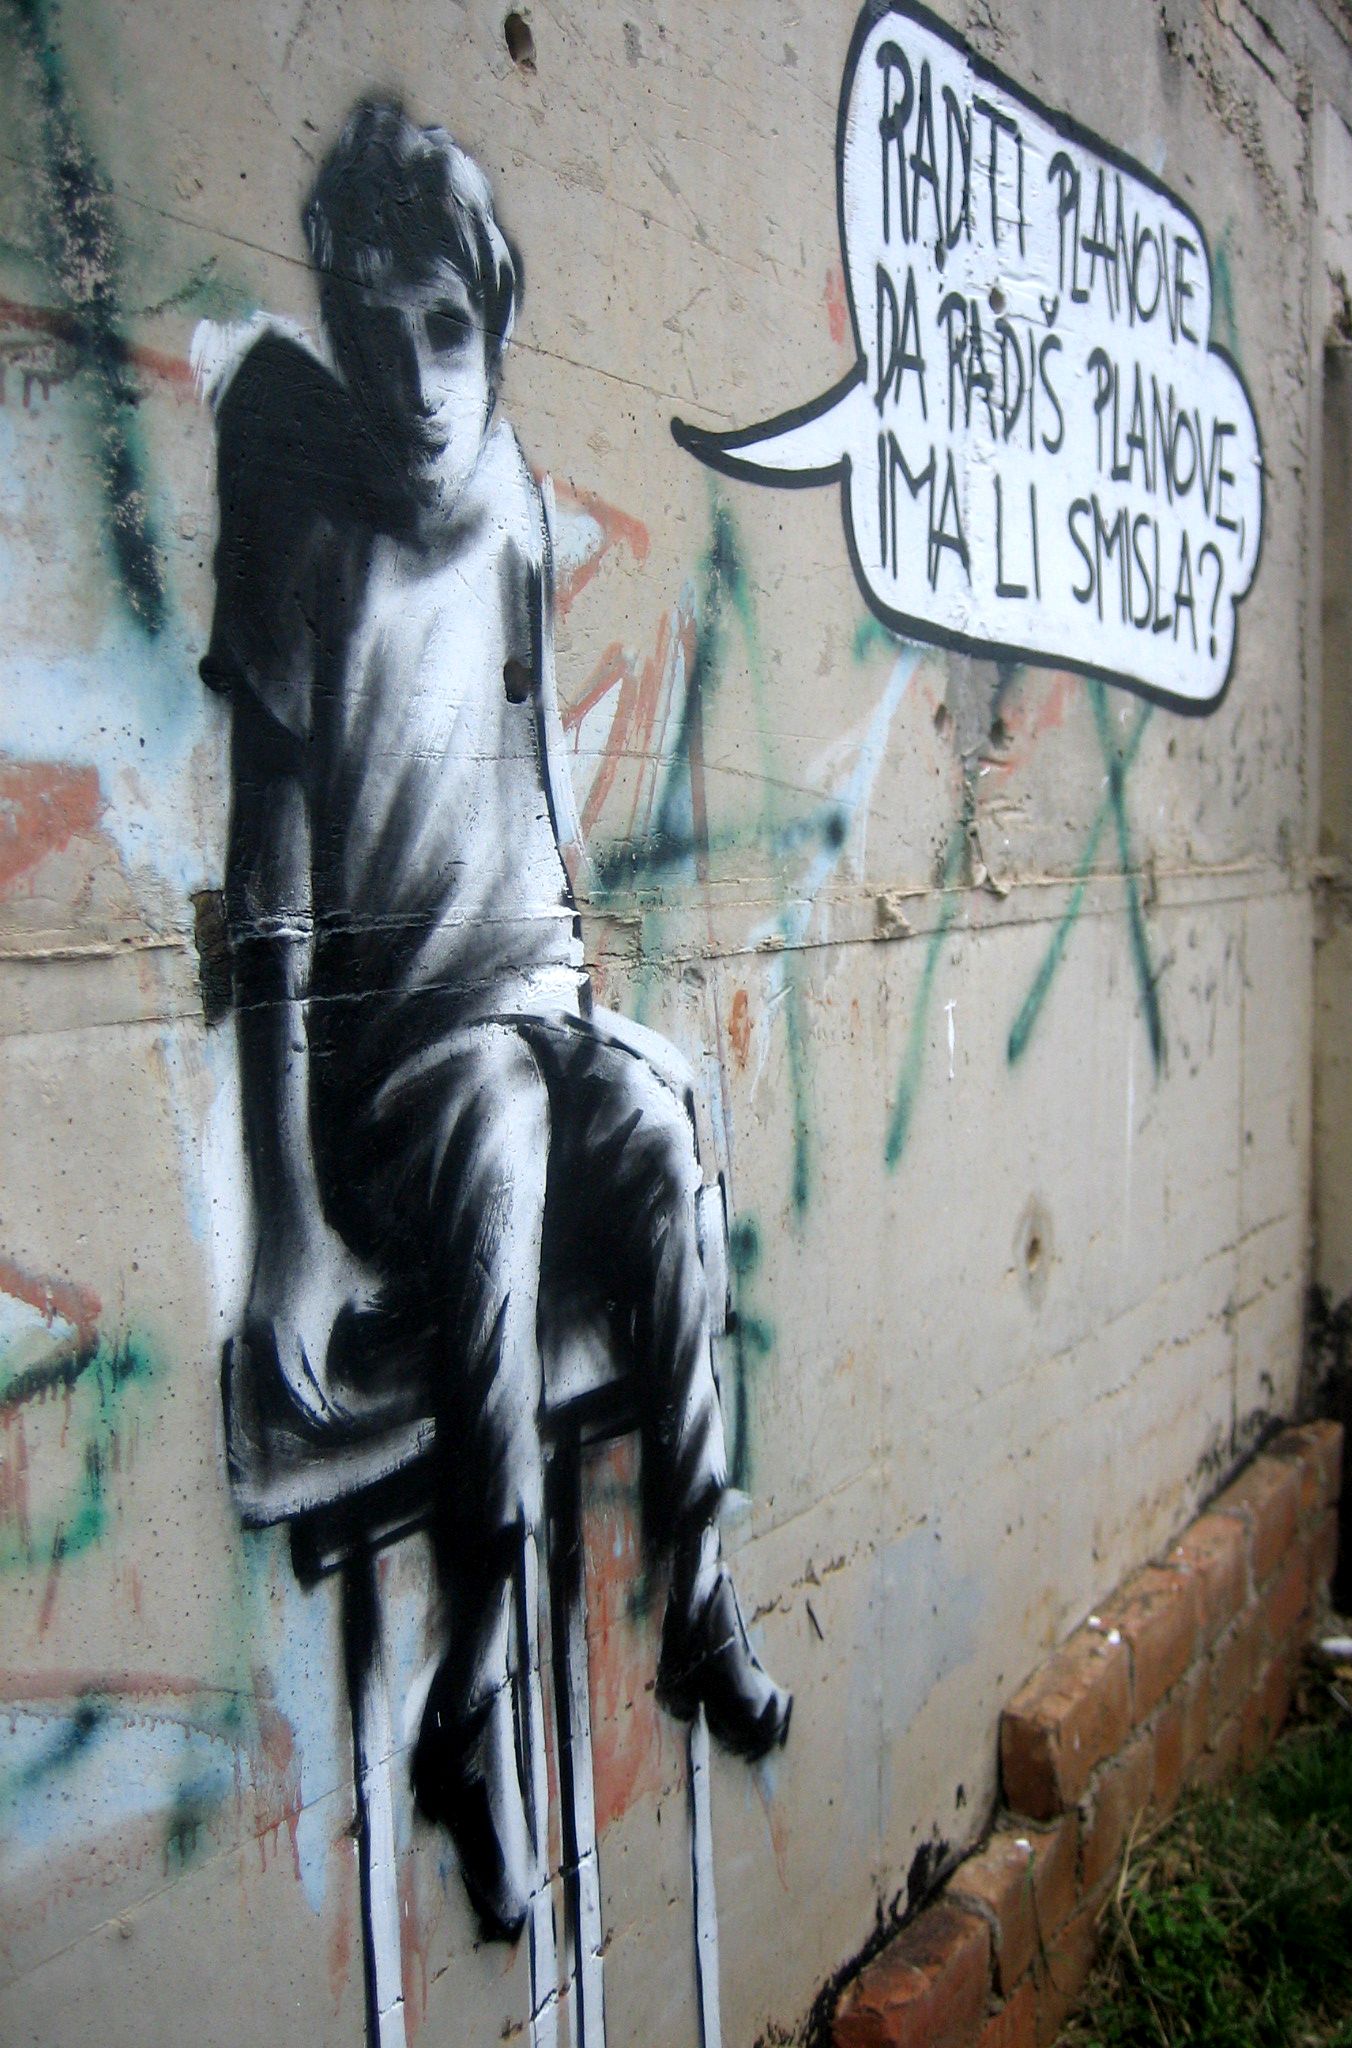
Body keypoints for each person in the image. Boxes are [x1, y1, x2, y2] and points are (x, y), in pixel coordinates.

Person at [200, 97, 789, 1943]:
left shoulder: (517, 501)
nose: (416, 383)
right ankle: (472, 1701)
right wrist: (288, 1232)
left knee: (663, 1113)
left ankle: (700, 1586)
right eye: (375, 337)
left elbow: (528, 797)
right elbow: (269, 890)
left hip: (524, 1014)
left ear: (497, 323)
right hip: (401, 1095)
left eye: (446, 331)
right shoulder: (303, 535)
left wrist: (583, 1013)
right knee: (502, 1120)